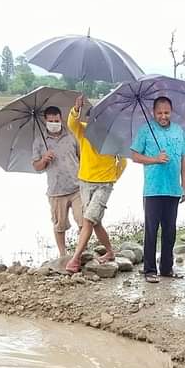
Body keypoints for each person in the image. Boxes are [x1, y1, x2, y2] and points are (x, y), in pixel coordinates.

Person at [62, 95, 127, 273]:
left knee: (88, 219)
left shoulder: (113, 138)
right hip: (85, 182)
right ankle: (110, 251)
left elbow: (123, 161)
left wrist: (112, 177)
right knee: (95, 222)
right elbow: (71, 124)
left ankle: (75, 259)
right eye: (90, 120)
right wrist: (76, 109)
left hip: (104, 184)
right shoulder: (83, 132)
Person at [129, 96, 185, 283]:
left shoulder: (178, 130)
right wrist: (155, 159)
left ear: (171, 112)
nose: (163, 116)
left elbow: (183, 158)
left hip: (173, 189)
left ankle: (166, 268)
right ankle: (149, 270)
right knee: (151, 230)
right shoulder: (145, 130)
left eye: (166, 112)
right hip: (153, 189)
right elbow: (135, 156)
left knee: (170, 230)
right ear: (153, 113)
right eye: (159, 113)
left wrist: (183, 184)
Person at [31, 105, 82, 259]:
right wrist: (44, 159)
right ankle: (63, 254)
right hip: (56, 190)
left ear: (61, 119)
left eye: (57, 120)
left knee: (83, 221)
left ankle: (79, 252)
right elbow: (36, 167)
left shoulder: (71, 135)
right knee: (60, 225)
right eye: (51, 121)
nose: (54, 123)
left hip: (76, 187)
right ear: (45, 121)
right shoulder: (40, 141)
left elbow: (81, 157)